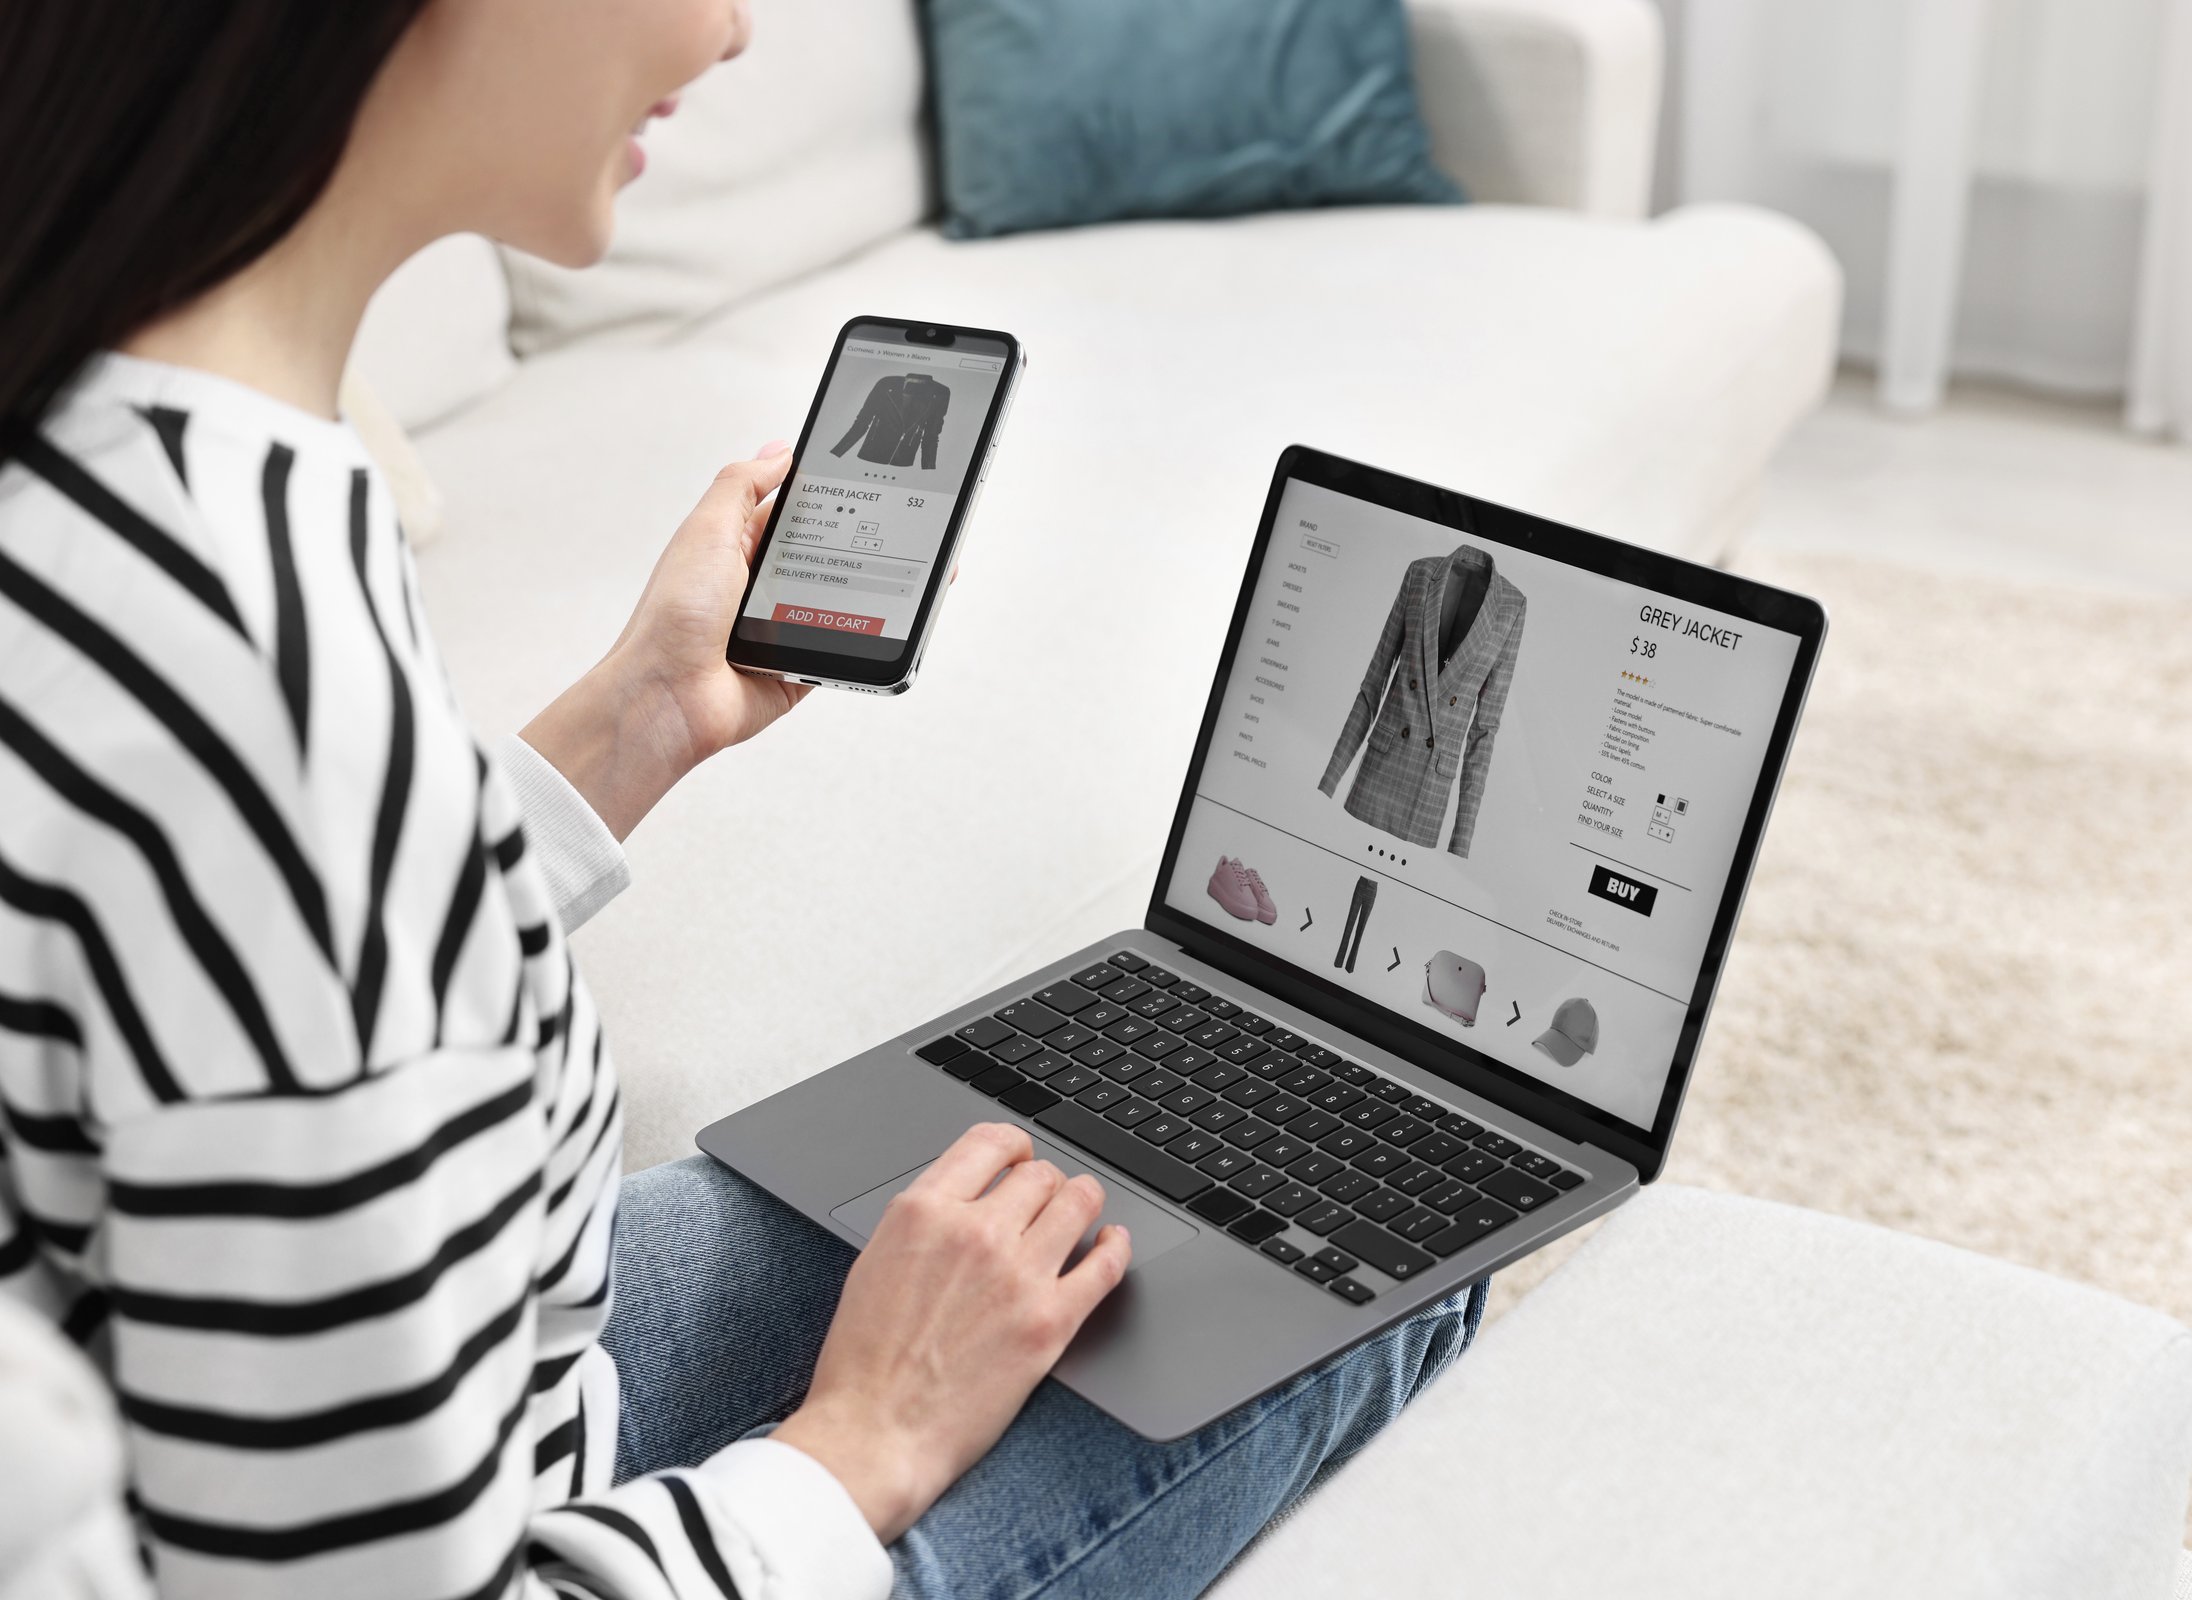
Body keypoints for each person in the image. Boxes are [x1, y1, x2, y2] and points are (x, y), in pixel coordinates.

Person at [0, 2, 1487, 1596]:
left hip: (429, 1385)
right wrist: (860, 1445)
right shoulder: (256, 685)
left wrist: (634, 724)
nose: (732, 28)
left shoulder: (129, 461)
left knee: (1116, 1193)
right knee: (1369, 1286)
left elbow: (244, 963)